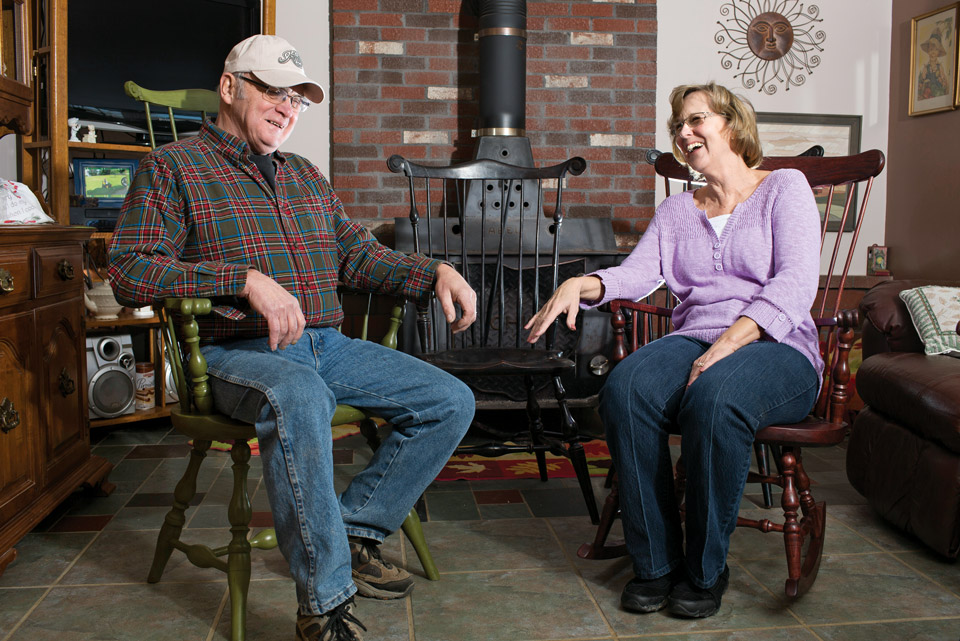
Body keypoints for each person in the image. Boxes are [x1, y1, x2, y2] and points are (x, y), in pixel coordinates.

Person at [108, 34, 477, 641]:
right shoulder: (172, 168)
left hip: (324, 345)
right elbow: (129, 270)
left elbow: (358, 256)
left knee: (449, 401)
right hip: (234, 354)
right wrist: (242, 281)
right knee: (300, 395)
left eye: (298, 99)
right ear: (230, 88)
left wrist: (432, 270)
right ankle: (324, 606)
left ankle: (352, 532)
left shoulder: (305, 176)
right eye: (272, 92)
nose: (286, 108)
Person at [525, 82, 823, 619]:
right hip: (694, 338)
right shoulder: (678, 210)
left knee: (715, 398)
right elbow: (638, 274)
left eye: (696, 120)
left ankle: (706, 570)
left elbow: (797, 282)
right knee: (625, 389)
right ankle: (655, 563)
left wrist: (729, 344)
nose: (684, 134)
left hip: (777, 344)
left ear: (732, 124)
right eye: (678, 127)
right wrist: (581, 284)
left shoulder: (785, 187)